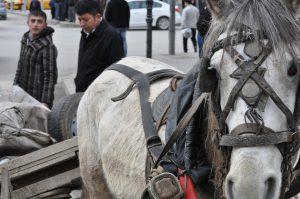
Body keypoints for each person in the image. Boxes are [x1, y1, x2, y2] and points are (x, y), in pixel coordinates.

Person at [74, 0, 124, 93]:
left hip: (98, 95)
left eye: (85, 19)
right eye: (79, 19)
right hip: (83, 92)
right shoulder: (86, 32)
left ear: (97, 17)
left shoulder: (112, 37)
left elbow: (117, 73)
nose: (81, 24)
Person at [14, 10, 58, 108]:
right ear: (28, 23)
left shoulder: (47, 46)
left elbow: (50, 76)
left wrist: (45, 102)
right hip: (23, 93)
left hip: (38, 97)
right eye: (33, 21)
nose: (36, 24)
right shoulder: (25, 40)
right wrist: (15, 84)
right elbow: (20, 64)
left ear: (45, 25)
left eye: (39, 21)